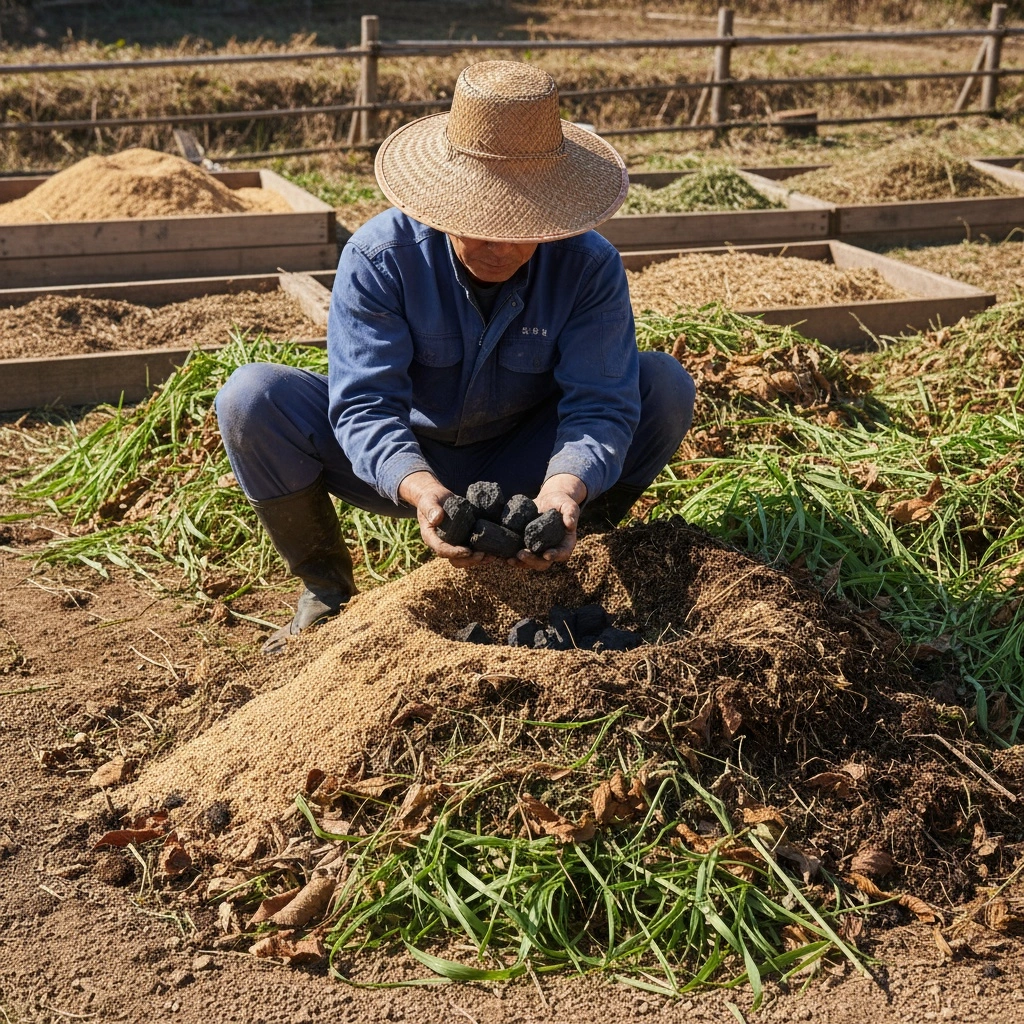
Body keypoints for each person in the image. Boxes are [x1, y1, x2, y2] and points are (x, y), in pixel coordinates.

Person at [215, 60, 696, 651]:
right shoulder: (380, 257)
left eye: (524, 225)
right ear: (444, 203)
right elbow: (365, 404)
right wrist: (419, 488)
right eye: (482, 223)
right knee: (252, 398)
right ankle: (326, 591)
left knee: (662, 385)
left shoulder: (588, 265)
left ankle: (570, 550)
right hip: (411, 454)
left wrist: (564, 492)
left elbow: (601, 404)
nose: (502, 246)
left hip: (530, 457)